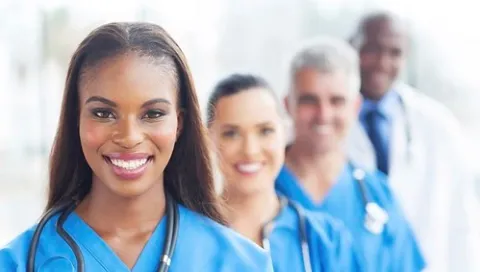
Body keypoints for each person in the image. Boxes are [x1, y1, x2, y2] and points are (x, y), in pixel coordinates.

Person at [0, 22, 274, 272]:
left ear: (179, 123)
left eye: (153, 114)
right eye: (104, 113)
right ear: (76, 119)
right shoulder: (18, 262)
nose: (129, 137)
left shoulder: (242, 263)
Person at [275, 37, 425, 271]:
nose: (323, 114)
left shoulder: (379, 195)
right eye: (309, 100)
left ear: (355, 107)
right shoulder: (262, 188)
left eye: (337, 101)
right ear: (287, 105)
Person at [347, 11, 480, 271]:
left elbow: (462, 219)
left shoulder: (438, 125)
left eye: (395, 52)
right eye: (371, 49)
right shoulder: (324, 122)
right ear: (351, 47)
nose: (382, 63)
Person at [207, 74, 361, 272]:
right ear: (208, 139)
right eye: (231, 133)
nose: (250, 150)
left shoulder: (327, 241)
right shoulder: (188, 240)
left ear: (285, 132)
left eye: (265, 131)